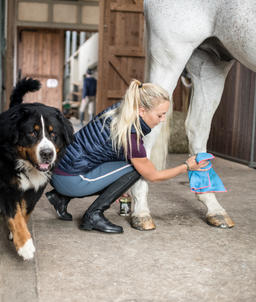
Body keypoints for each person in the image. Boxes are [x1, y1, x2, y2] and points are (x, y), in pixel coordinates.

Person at [46, 80, 207, 233]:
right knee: (136, 170)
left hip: (59, 171)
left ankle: (60, 197)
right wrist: (186, 166)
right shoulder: (131, 135)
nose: (163, 120)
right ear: (142, 110)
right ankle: (93, 215)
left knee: (126, 165)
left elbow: (106, 152)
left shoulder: (120, 111)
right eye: (160, 115)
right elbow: (153, 176)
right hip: (70, 178)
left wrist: (118, 184)